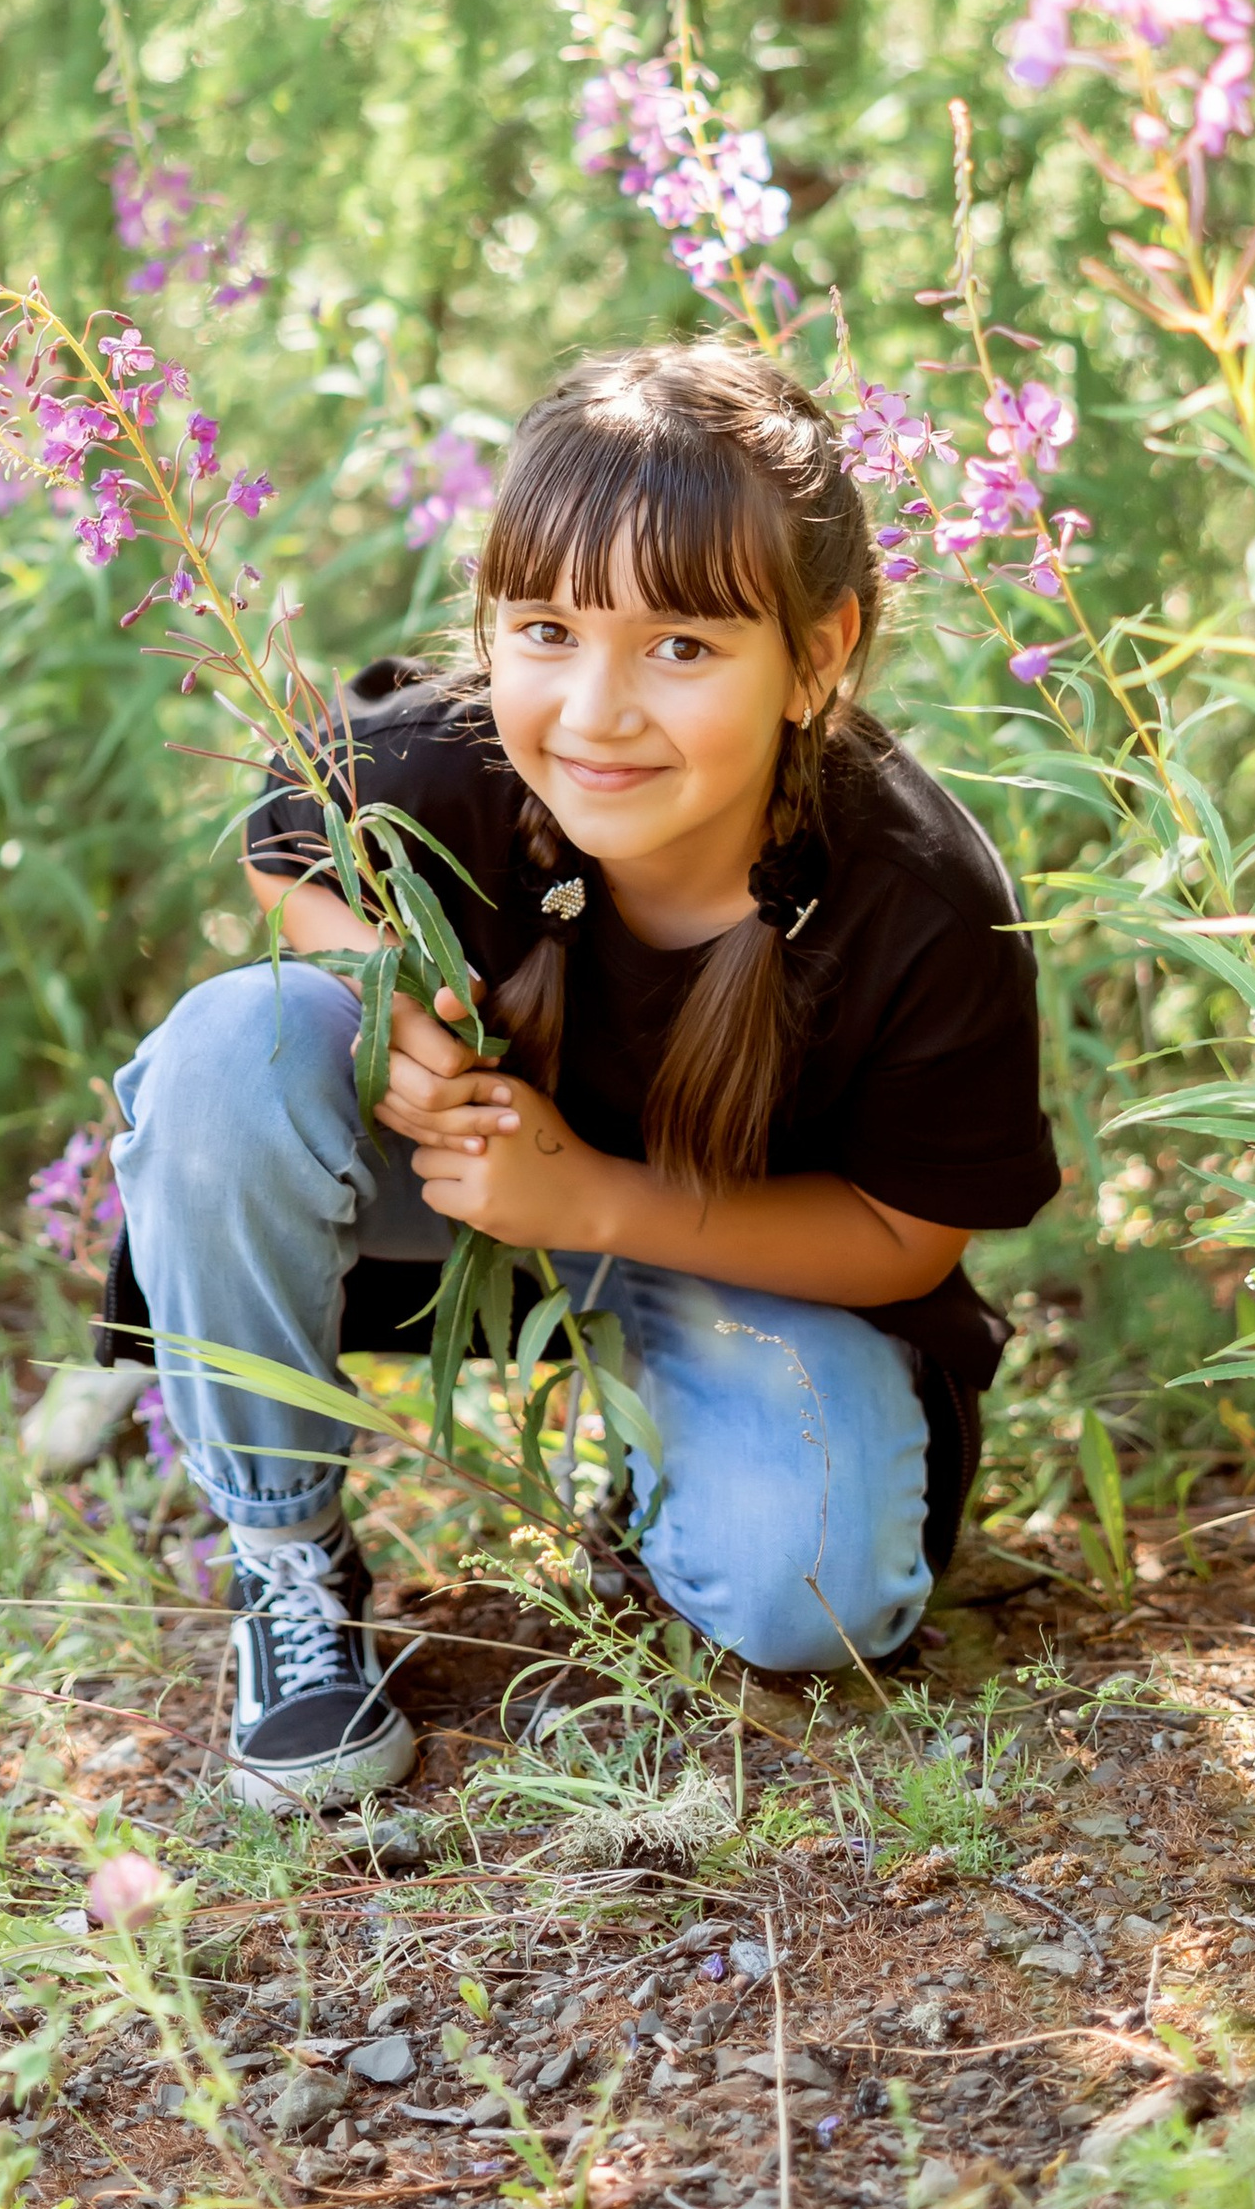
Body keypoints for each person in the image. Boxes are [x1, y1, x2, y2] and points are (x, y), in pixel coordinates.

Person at [104, 342, 1060, 1812]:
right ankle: (286, 1555)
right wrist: (384, 994)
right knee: (235, 1046)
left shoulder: (920, 901)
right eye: (547, 627)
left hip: (731, 1248)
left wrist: (595, 1195)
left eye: (683, 646)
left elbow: (907, 1231)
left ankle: (663, 1466)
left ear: (817, 656)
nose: (596, 710)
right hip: (456, 1207)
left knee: (814, 1592)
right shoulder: (457, 752)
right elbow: (280, 845)